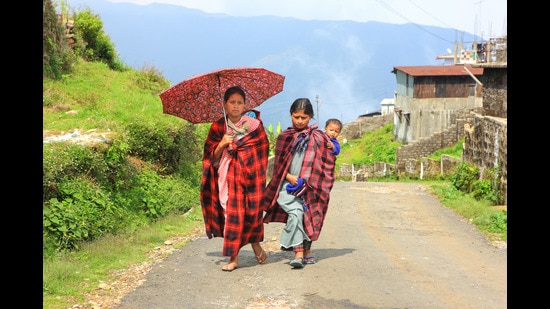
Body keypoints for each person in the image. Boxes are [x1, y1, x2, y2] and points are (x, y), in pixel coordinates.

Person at [200, 85, 269, 272]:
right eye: (232, 102)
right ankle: (233, 258)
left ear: (245, 105)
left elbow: (261, 150)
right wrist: (222, 143)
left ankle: (256, 245)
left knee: (251, 214)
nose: (236, 106)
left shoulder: (253, 125)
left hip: (250, 178)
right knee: (231, 213)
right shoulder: (218, 126)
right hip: (227, 176)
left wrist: (241, 150)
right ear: (225, 104)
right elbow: (211, 158)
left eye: (240, 102)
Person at [262, 98, 336, 268]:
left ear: (310, 117)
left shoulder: (319, 137)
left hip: (311, 187)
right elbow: (278, 165)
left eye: (304, 117)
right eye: (296, 117)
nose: (300, 121)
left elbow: (328, 161)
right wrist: (288, 176)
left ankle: (306, 251)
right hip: (287, 186)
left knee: (309, 217)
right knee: (296, 213)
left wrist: (314, 179)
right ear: (291, 115)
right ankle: (298, 253)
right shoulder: (285, 137)